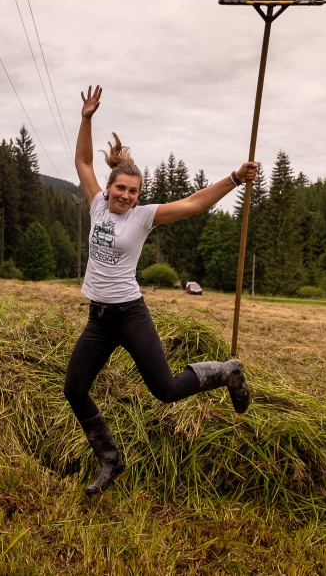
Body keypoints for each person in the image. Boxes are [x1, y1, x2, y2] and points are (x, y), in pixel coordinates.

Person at [66, 85, 258, 494]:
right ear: (111, 187)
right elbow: (83, 160)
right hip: (98, 318)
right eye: (121, 188)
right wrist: (86, 118)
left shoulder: (143, 217)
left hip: (129, 315)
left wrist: (235, 179)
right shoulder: (98, 203)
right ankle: (110, 460)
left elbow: (194, 203)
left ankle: (227, 371)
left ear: (139, 195)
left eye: (133, 191)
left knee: (166, 390)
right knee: (74, 388)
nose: (125, 195)